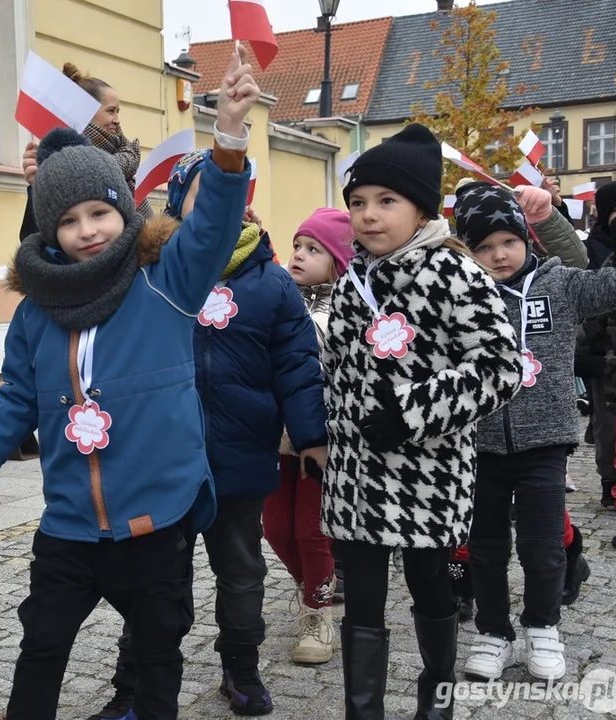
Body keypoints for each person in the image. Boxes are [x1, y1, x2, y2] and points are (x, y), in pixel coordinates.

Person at [0, 47, 260, 720]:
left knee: (156, 658)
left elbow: (210, 229)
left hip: (153, 523)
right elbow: (18, 399)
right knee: (41, 648)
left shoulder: (166, 283)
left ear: (123, 213)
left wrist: (228, 139)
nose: (86, 231)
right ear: (50, 231)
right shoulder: (36, 310)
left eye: (99, 213)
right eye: (67, 220)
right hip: (68, 526)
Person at [87, 149, 328, 719]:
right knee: (155, 580)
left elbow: (297, 365)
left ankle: (240, 670)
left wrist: (311, 435)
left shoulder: (272, 281)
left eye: (235, 188)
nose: (225, 198)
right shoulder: (153, 274)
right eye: (208, 188)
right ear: (178, 201)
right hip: (163, 462)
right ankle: (134, 686)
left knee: (241, 574)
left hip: (240, 459)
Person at [323, 124, 522, 719]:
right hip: (355, 473)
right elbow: (337, 371)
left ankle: (437, 699)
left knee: (430, 586)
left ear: (420, 208)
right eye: (358, 202)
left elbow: (500, 367)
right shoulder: (354, 280)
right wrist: (324, 437)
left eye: (387, 201)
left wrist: (412, 412)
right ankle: (365, 710)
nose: (368, 215)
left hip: (426, 473)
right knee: (360, 598)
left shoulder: (454, 273)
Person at [452, 182, 616, 681]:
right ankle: (493, 632)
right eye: (483, 247)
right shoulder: (462, 296)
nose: (498, 255)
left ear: (527, 238)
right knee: (484, 547)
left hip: (546, 443)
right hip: (479, 444)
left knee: (543, 544)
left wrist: (551, 218)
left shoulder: (561, 284)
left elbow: (612, 280)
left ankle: (542, 626)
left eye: (507, 241)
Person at [263, 207, 354, 666]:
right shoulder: (278, 295)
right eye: (297, 245)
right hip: (275, 438)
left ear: (338, 259)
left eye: (313, 249)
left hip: (321, 442)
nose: (299, 255)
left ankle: (319, 615)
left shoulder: (348, 307)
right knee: (276, 528)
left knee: (310, 531)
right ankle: (313, 589)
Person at [19, 63, 152, 242]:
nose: (117, 120)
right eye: (111, 111)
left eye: (118, 111)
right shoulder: (61, 164)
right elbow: (34, 238)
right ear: (86, 113)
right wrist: (38, 186)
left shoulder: (125, 157)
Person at [577, 181, 616, 510]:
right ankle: (615, 486)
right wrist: (588, 360)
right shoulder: (599, 257)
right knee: (610, 432)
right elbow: (589, 323)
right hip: (609, 366)